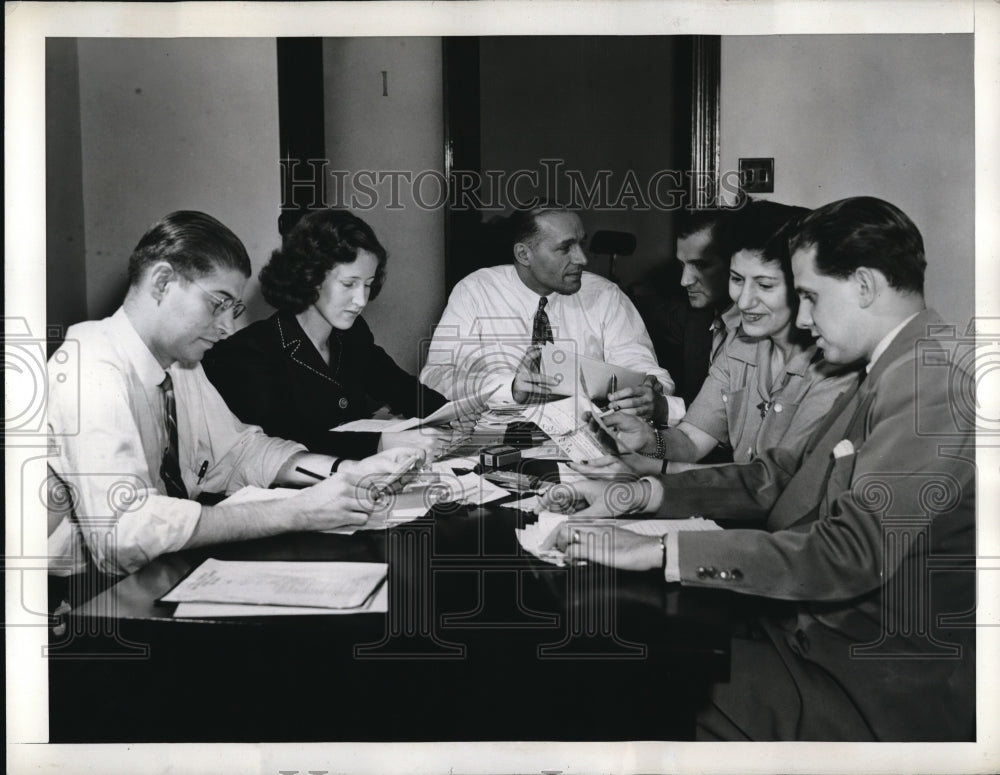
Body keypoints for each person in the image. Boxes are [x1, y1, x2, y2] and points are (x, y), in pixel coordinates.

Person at [541, 197, 975, 741]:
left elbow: (849, 554)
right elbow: (776, 476)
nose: (806, 316)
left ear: (864, 285)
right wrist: (647, 496)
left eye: (812, 296)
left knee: (617, 681)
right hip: (816, 639)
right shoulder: (891, 366)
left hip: (864, 679)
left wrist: (656, 549)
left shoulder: (930, 381)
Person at [47, 211, 423, 579]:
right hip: (73, 598)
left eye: (234, 308)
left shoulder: (180, 365)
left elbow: (240, 451)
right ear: (162, 282)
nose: (228, 328)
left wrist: (346, 471)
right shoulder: (89, 366)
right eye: (217, 304)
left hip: (152, 573)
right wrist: (297, 511)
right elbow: (124, 533)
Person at [592, 201, 860, 473]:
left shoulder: (834, 365)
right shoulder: (740, 344)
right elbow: (691, 440)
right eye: (737, 279)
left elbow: (770, 484)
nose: (743, 301)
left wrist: (656, 470)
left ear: (800, 285)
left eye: (764, 285)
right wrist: (649, 440)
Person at [204, 210, 450, 461]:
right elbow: (280, 442)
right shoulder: (249, 351)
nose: (361, 300)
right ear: (310, 277)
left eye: (368, 284)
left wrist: (454, 415)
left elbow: (401, 388)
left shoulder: (352, 335)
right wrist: (381, 443)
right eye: (349, 284)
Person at [419, 203, 684, 425]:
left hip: (589, 439)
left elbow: (648, 373)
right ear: (524, 254)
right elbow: (435, 377)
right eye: (565, 248)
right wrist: (508, 388)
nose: (582, 259)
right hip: (496, 438)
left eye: (582, 243)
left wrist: (652, 390)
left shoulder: (606, 296)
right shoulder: (476, 292)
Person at [629, 206, 737, 408]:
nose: (684, 281)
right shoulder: (693, 317)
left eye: (702, 265)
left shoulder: (764, 331)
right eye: (682, 266)